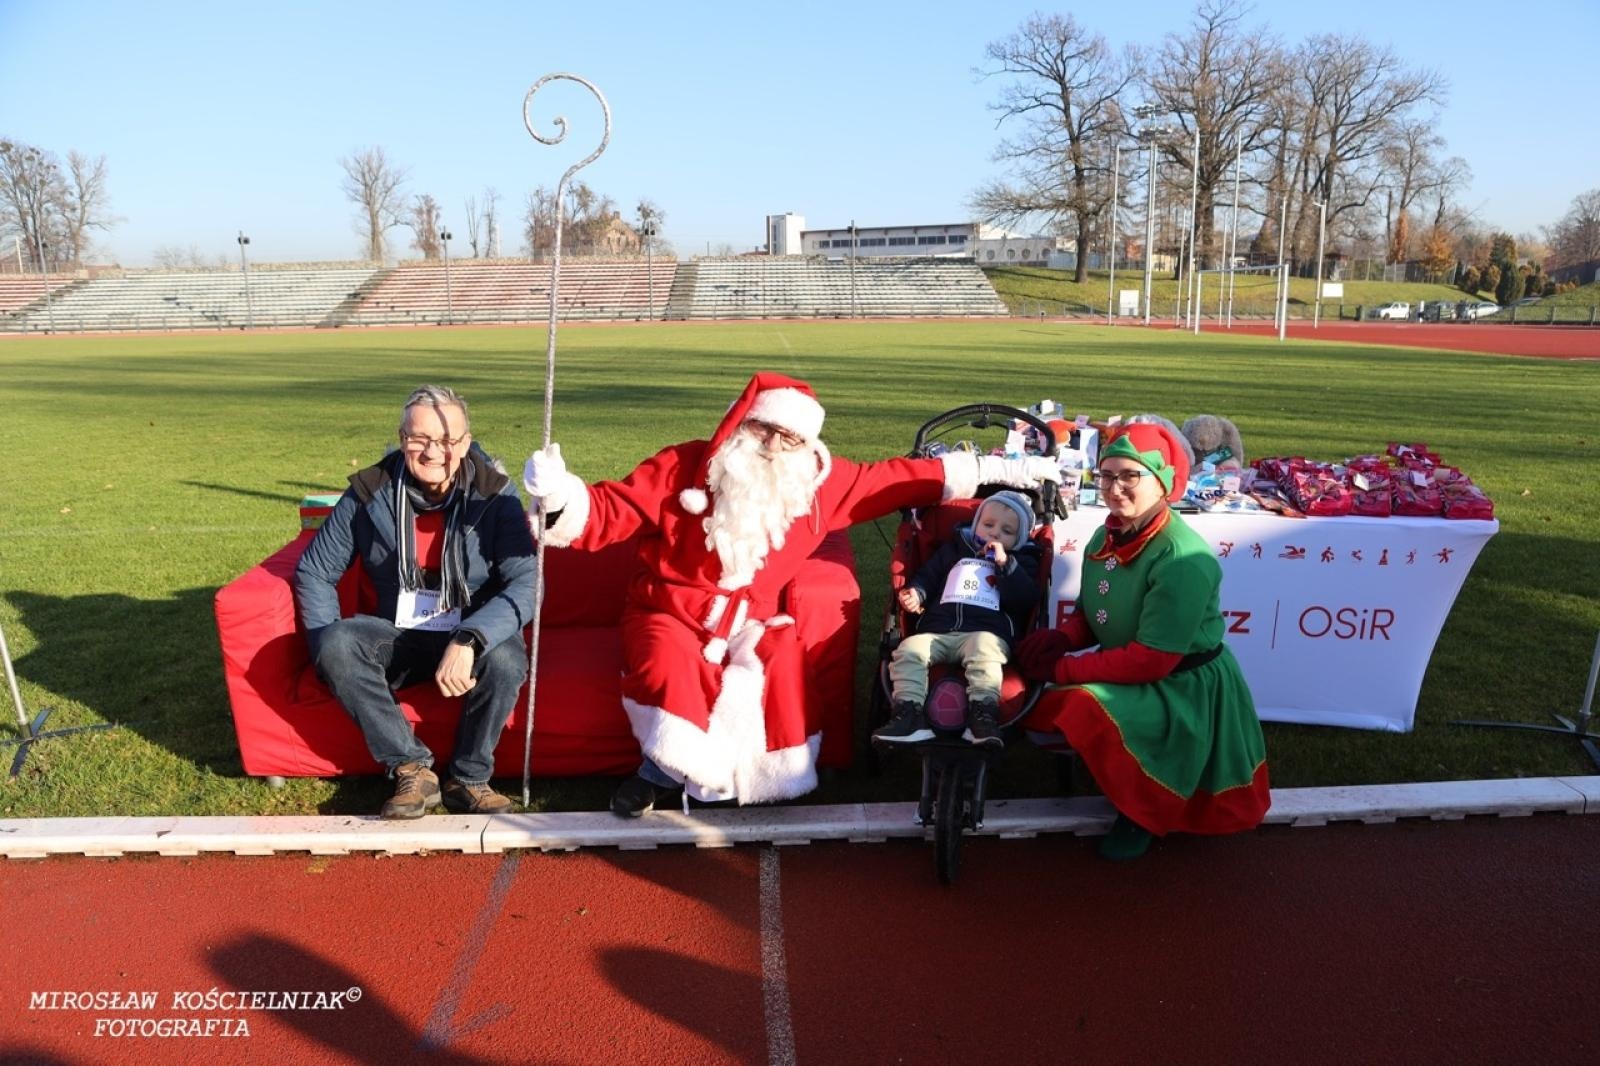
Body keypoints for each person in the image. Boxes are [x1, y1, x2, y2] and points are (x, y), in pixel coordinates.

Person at [522, 372, 1058, 817]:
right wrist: (560, 496)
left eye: (790, 438)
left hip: (749, 618)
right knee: (666, 663)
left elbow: (899, 478)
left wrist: (1006, 470)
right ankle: (659, 771)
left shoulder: (819, 484)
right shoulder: (684, 466)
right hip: (669, 608)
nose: (774, 446)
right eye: (764, 429)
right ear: (742, 423)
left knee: (781, 665)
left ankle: (768, 782)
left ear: (807, 444)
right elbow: (612, 508)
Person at [1016, 422, 1269, 861]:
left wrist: (1061, 668)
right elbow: (1095, 610)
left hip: (1181, 689)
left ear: (1163, 482)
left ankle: (1143, 812)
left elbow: (1151, 660)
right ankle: (1127, 784)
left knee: (1082, 704)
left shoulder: (1182, 559)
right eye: (1106, 476)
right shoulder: (1108, 534)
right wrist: (1063, 637)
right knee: (1052, 701)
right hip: (1136, 667)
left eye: (1129, 476)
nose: (1114, 489)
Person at [294, 385, 536, 819]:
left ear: (465, 442)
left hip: (469, 632)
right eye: (419, 439)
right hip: (398, 633)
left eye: (446, 439)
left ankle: (469, 778)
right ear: (402, 438)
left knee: (505, 658)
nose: (432, 452)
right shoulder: (369, 491)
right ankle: (412, 769)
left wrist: (470, 638)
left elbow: (527, 582)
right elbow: (315, 571)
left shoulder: (495, 494)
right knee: (337, 643)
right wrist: (326, 658)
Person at [872, 491, 1042, 749]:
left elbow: (1025, 598)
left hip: (985, 633)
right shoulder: (953, 551)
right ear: (976, 524)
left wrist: (1005, 565)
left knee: (984, 648)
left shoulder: (1021, 561)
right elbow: (929, 576)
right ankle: (908, 713)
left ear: (1018, 540)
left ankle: (982, 714)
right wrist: (917, 593)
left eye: (1007, 531)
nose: (995, 533)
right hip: (938, 630)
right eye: (988, 525)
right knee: (909, 649)